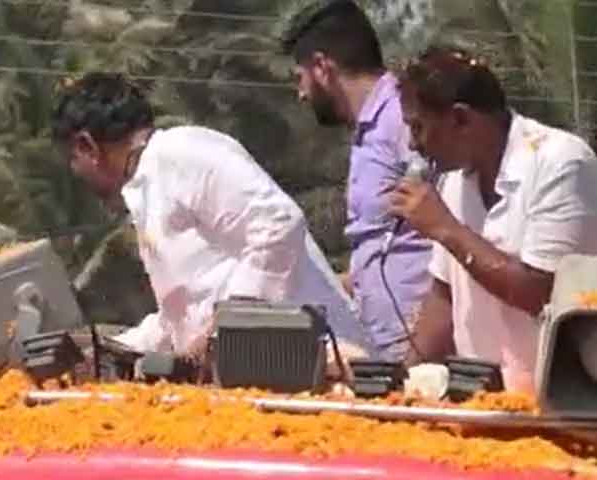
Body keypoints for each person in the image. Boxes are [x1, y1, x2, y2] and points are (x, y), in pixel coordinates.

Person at [51, 72, 369, 358]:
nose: (75, 173)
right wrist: (112, 352)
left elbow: (278, 225)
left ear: (87, 146)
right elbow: (182, 317)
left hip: (326, 364)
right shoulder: (148, 187)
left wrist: (226, 326)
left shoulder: (181, 152)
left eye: (72, 159)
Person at [390, 46, 597, 393]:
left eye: (419, 127)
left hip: (562, 404)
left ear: (460, 119)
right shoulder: (455, 181)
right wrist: (400, 382)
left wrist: (446, 229)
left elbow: (541, 294)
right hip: (484, 400)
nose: (413, 144)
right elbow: (444, 297)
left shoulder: (561, 163)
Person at [282, 0, 432, 362]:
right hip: (385, 348)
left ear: (321, 68)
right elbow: (385, 245)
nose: (300, 93)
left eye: (299, 77)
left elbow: (446, 222)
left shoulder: (402, 117)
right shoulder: (368, 132)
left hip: (425, 352)